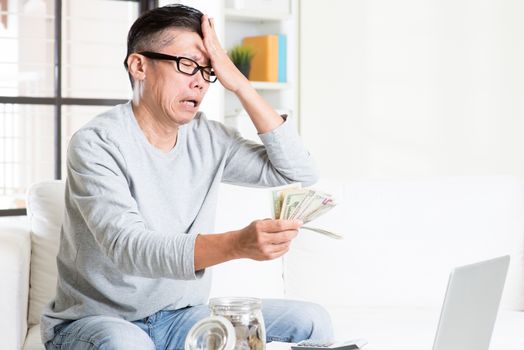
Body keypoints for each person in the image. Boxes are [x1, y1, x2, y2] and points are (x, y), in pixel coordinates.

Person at [42, 4, 333, 350]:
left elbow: (298, 170)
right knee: (125, 344)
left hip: (182, 316)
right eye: (186, 65)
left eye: (209, 70)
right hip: (101, 322)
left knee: (312, 320)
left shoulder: (208, 138)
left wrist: (239, 83)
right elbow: (127, 247)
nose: (200, 81)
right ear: (139, 66)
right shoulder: (96, 143)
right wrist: (237, 244)